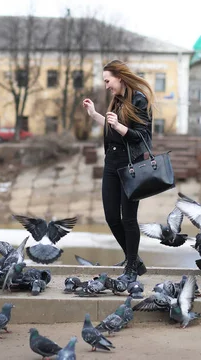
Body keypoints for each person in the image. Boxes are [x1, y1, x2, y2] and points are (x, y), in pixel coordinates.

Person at [82, 59, 154, 283]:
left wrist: (120, 126)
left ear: (119, 77)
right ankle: (135, 260)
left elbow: (142, 137)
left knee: (128, 219)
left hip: (131, 166)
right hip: (112, 164)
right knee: (112, 217)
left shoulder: (139, 99)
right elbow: (112, 127)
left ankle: (131, 266)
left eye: (107, 81)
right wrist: (95, 115)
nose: (106, 86)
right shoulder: (117, 100)